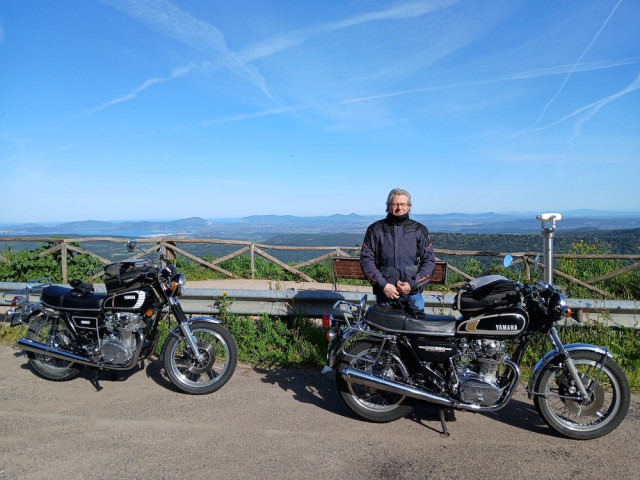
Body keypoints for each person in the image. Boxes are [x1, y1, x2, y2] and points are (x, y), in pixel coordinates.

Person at [360, 188, 436, 312]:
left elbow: (429, 262)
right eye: (395, 204)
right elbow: (366, 260)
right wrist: (384, 285)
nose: (399, 208)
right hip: (385, 295)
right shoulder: (375, 229)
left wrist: (412, 285)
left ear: (409, 206)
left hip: (413, 295)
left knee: (416, 325)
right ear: (388, 206)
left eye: (403, 204)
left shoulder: (419, 230)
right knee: (386, 325)